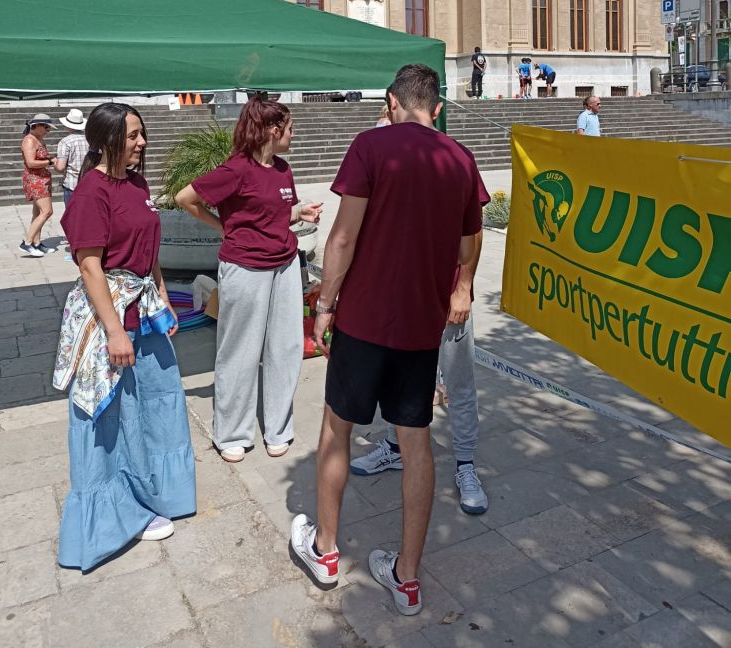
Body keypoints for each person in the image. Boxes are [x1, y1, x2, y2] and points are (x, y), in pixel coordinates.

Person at [290, 64, 482, 616]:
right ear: (437, 108)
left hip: (364, 321)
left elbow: (343, 235)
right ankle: (408, 577)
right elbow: (471, 245)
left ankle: (326, 551)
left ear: (392, 102)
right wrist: (462, 288)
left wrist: (323, 304)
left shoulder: (371, 147)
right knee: (416, 441)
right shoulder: (461, 159)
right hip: (421, 328)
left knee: (336, 428)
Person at [54, 103, 196, 572]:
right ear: (105, 139)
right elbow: (90, 266)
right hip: (109, 314)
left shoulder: (135, 180)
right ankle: (122, 509)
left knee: (157, 399)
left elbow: (149, 244)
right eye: (131, 136)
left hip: (144, 305)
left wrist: (162, 294)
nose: (140, 143)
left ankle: (155, 488)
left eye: (141, 134)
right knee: (111, 413)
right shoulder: (92, 191)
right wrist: (115, 330)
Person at [175, 96, 322, 463]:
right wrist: (223, 227)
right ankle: (232, 433)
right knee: (239, 351)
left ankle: (278, 427)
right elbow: (185, 198)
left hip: (285, 265)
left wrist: (297, 211)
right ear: (273, 130)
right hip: (245, 268)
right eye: (289, 127)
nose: (294, 133)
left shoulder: (282, 169)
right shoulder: (235, 170)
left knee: (284, 348)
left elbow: (272, 213)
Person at [349, 205, 489, 515]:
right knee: (400, 380)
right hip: (401, 296)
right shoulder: (393, 160)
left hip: (447, 298)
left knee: (459, 383)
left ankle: (465, 464)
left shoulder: (455, 161)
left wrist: (463, 289)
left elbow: (474, 230)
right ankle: (395, 447)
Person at [19, 114, 56, 257]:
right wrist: (50, 162)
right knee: (47, 211)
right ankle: (27, 242)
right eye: (46, 127)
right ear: (38, 126)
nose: (48, 130)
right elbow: (31, 163)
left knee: (38, 213)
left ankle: (36, 242)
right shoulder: (29, 140)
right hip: (35, 179)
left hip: (42, 178)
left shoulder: (38, 139)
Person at [54, 108, 89, 206]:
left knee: (71, 218)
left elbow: (60, 167)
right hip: (89, 183)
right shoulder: (90, 139)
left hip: (72, 184)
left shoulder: (65, 142)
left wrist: (54, 162)